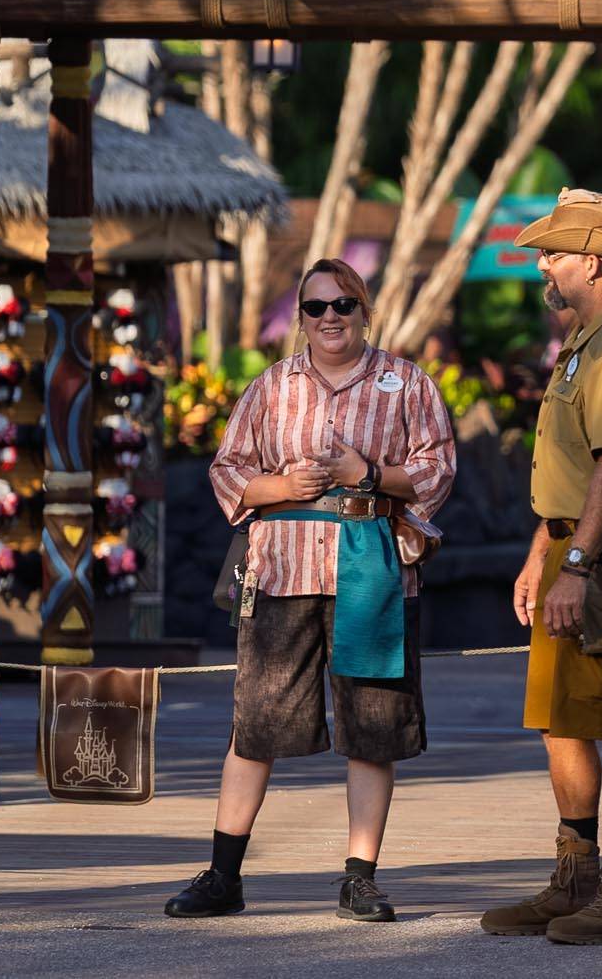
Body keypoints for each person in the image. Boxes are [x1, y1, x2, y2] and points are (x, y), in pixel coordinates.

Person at [168, 259, 458, 924]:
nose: (330, 318)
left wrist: (371, 472)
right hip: (283, 571)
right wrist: (281, 489)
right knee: (257, 722)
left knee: (372, 728)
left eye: (344, 305)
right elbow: (229, 469)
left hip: (374, 574)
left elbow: (438, 469)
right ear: (300, 315)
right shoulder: (271, 388)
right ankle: (223, 874)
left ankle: (360, 878)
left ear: (365, 310)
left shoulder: (407, 384)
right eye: (316, 307)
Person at [479, 190, 602, 946]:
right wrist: (543, 555)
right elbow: (568, 469)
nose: (545, 269)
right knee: (561, 719)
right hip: (576, 546)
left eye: (554, 256)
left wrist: (578, 567)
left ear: (593, 261)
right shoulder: (586, 339)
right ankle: (576, 881)